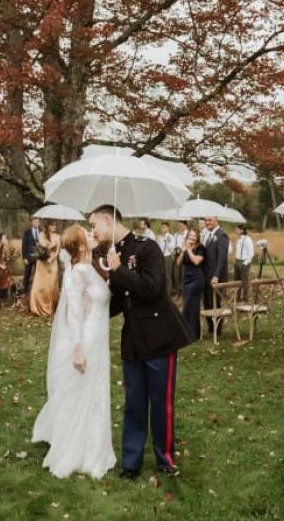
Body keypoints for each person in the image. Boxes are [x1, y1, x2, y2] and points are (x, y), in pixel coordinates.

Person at [89, 205, 194, 479]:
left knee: (161, 403)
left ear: (107, 220)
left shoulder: (147, 248)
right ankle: (131, 464)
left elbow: (151, 288)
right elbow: (119, 300)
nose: (93, 231)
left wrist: (119, 270)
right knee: (134, 404)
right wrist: (90, 311)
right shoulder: (113, 253)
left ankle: (164, 459)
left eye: (94, 225)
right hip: (133, 339)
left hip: (160, 337)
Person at [31, 225, 117, 478]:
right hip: (88, 339)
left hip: (98, 337)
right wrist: (78, 347)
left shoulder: (86, 268)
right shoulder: (78, 271)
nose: (93, 236)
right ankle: (78, 450)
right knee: (83, 393)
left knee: (93, 392)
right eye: (87, 235)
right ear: (80, 245)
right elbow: (74, 312)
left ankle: (93, 445)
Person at [201, 216, 230, 334]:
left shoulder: (222, 235)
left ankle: (217, 329)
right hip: (206, 275)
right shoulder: (208, 235)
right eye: (206, 220)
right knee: (206, 302)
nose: (208, 222)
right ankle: (211, 328)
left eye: (210, 220)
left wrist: (216, 275)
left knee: (215, 302)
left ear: (216, 219)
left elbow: (222, 258)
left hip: (215, 277)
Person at [177, 228, 207, 340]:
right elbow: (178, 263)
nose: (191, 238)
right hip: (187, 280)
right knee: (189, 305)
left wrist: (189, 250)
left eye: (194, 236)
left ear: (197, 237)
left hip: (197, 279)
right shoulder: (185, 248)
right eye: (190, 236)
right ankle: (191, 333)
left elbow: (196, 261)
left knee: (190, 305)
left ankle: (189, 333)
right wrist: (184, 250)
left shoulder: (201, 248)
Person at [30, 221, 62, 317]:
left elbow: (57, 251)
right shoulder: (41, 234)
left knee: (51, 285)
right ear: (47, 226)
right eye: (52, 224)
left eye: (55, 225)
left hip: (53, 262)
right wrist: (52, 245)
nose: (54, 226)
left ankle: (51, 308)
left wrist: (51, 259)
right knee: (41, 285)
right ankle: (38, 307)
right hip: (42, 263)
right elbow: (42, 247)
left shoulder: (58, 236)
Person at [233, 225, 254, 301]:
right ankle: (237, 298)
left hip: (244, 261)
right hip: (237, 260)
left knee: (244, 281)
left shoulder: (248, 240)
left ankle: (245, 299)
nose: (235, 231)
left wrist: (245, 263)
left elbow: (251, 253)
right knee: (236, 281)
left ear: (241, 230)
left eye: (237, 229)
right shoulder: (239, 239)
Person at [22, 218, 42, 293]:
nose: (36, 223)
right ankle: (24, 291)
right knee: (27, 274)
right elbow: (24, 245)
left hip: (38, 258)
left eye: (37, 221)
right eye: (34, 221)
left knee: (38, 275)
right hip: (28, 257)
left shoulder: (41, 232)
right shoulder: (27, 232)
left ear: (39, 223)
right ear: (32, 222)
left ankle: (36, 290)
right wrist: (24, 258)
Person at [157, 222, 176, 296]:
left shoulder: (171, 237)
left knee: (167, 277)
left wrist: (167, 241)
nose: (162, 228)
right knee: (161, 276)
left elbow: (172, 250)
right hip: (160, 257)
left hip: (167, 257)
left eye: (164, 227)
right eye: (162, 227)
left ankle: (168, 294)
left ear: (168, 228)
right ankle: (163, 293)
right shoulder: (159, 237)